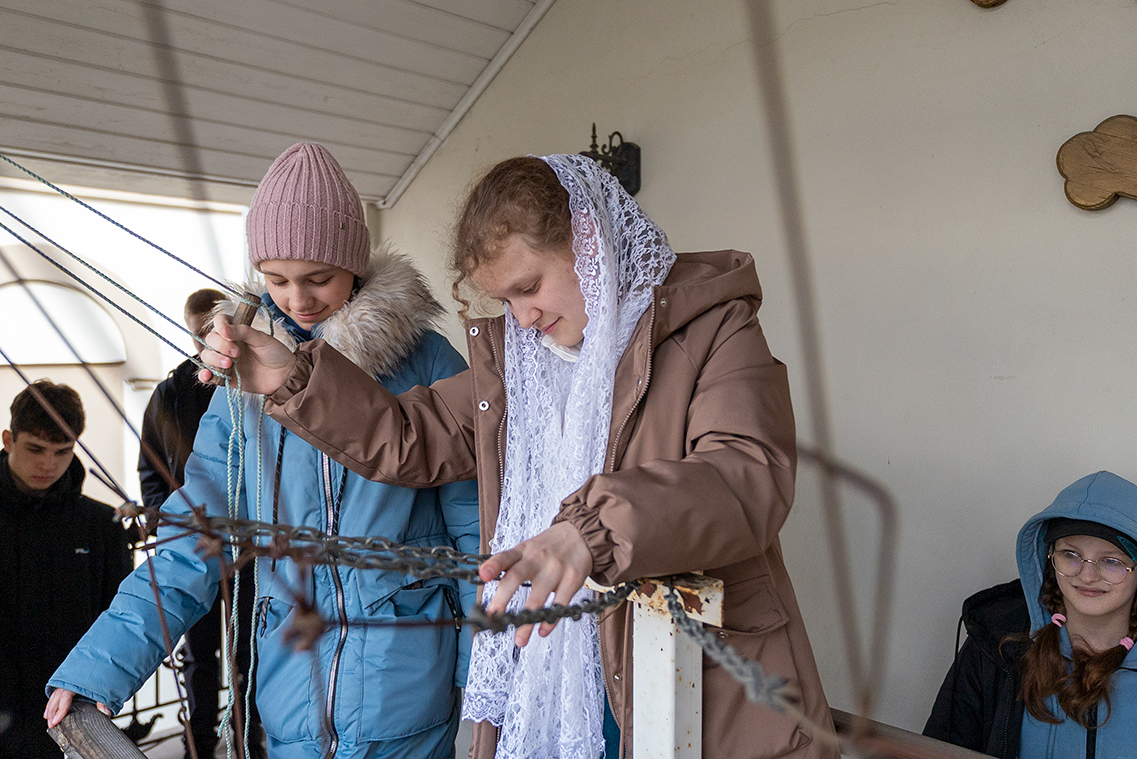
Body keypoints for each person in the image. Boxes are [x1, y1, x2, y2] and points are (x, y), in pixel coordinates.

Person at [197, 154, 837, 758]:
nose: (523, 318)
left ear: (589, 244)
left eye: (529, 287)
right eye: (506, 301)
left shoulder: (714, 329)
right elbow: (409, 433)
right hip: (547, 668)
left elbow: (746, 474)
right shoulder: (517, 368)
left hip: (687, 677)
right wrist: (293, 377)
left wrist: (591, 532)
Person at [46, 143, 481, 759]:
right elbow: (193, 540)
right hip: (289, 696)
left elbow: (476, 531)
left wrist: (483, 679)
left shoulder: (428, 361)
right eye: (276, 280)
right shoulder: (241, 381)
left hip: (407, 691)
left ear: (354, 262)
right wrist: (97, 670)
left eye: (318, 278)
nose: (297, 300)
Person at [923, 470, 1137, 758]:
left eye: (1111, 561)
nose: (1087, 576)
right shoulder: (996, 650)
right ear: (1049, 557)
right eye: (1070, 554)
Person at [138, 287, 264, 759]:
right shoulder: (171, 392)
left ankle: (248, 736)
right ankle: (201, 741)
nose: (201, 340)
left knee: (250, 647)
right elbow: (150, 467)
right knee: (199, 653)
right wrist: (166, 521)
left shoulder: (254, 381)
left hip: (252, 546)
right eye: (195, 333)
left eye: (208, 330)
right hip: (195, 543)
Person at [0, 381, 132, 759]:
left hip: (65, 709)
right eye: (35, 449)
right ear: (9, 440)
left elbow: (117, 616)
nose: (48, 464)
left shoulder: (101, 524)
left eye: (62, 451)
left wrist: (100, 687)